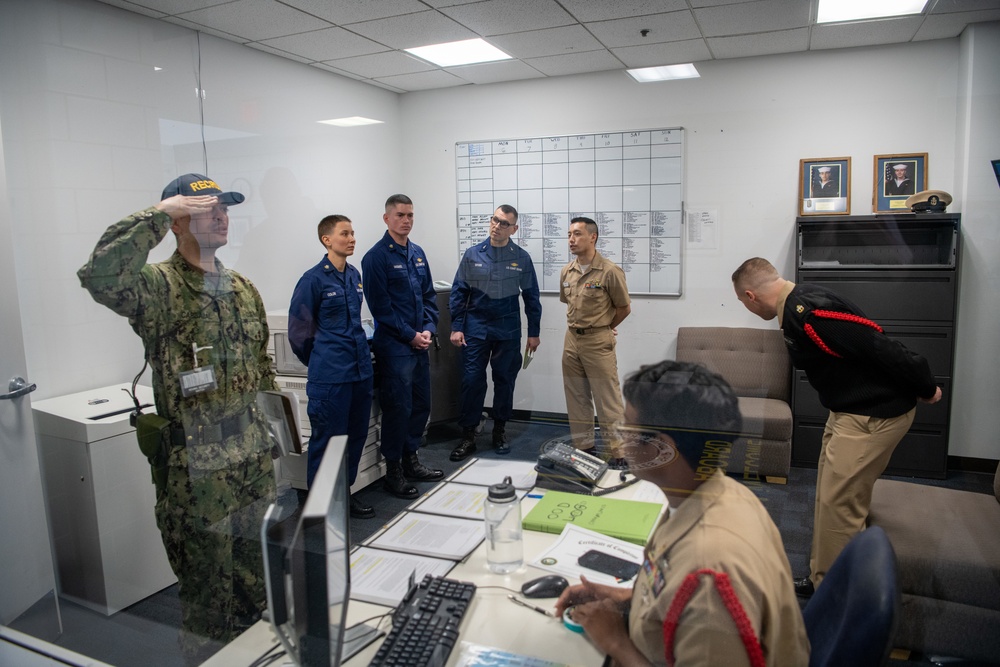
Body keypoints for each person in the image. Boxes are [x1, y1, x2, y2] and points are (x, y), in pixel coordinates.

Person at [77, 174, 277, 664]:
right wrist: (159, 212)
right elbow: (100, 274)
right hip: (198, 470)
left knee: (261, 586)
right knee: (209, 598)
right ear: (179, 221)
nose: (222, 215)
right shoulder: (157, 288)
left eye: (225, 207)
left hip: (252, 460)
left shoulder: (242, 288)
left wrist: (275, 438)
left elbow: (262, 368)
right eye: (207, 208)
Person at [555, 360, 810, 667]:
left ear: (663, 449)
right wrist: (621, 598)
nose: (620, 439)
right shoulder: (715, 493)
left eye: (627, 428)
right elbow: (670, 587)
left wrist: (615, 642)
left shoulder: (709, 572)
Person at [732, 257, 941, 596]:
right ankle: (822, 579)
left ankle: (838, 596)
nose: (748, 310)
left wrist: (926, 385)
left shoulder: (809, 313)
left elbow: (880, 345)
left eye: (744, 303)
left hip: (872, 415)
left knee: (840, 507)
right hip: (849, 411)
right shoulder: (798, 305)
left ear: (751, 295)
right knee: (830, 500)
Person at [287, 214, 376, 519]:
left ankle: (343, 495)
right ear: (327, 239)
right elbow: (299, 333)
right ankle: (319, 505)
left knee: (354, 437)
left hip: (360, 372)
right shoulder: (313, 279)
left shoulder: (354, 275)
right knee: (327, 442)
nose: (352, 239)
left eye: (353, 233)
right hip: (330, 377)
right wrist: (322, 361)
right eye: (344, 234)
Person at [361, 194, 444, 499]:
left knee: (421, 405)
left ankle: (412, 460)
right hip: (395, 347)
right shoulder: (375, 257)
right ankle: (393, 470)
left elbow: (429, 298)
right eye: (400, 215)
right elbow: (381, 308)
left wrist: (428, 329)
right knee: (398, 408)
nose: (406, 220)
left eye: (410, 215)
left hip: (419, 344)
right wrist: (411, 334)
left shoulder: (417, 254)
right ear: (386, 219)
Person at [448, 204, 541, 461]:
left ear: (514, 229)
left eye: (504, 224)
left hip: (507, 331)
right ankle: (468, 435)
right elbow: (458, 293)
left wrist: (534, 331)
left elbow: (532, 297)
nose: (497, 227)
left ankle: (499, 431)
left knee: (504, 381)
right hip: (475, 329)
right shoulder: (473, 254)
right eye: (495, 220)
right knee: (471, 382)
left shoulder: (521, 257)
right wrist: (456, 326)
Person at [560, 216, 631, 464]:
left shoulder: (610, 271)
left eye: (577, 234)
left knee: (607, 398)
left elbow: (623, 307)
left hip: (598, 341)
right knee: (576, 397)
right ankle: (584, 447)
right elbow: (568, 303)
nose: (571, 239)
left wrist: (605, 328)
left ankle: (619, 452)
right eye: (569, 234)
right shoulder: (566, 272)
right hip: (571, 341)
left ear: (593, 236)